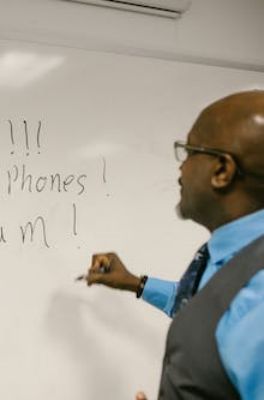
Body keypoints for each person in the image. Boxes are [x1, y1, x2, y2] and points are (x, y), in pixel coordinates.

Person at [84, 90, 264, 400]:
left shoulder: (258, 293)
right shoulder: (231, 257)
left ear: (222, 170)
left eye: (190, 151)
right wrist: (135, 283)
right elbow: (208, 311)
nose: (181, 168)